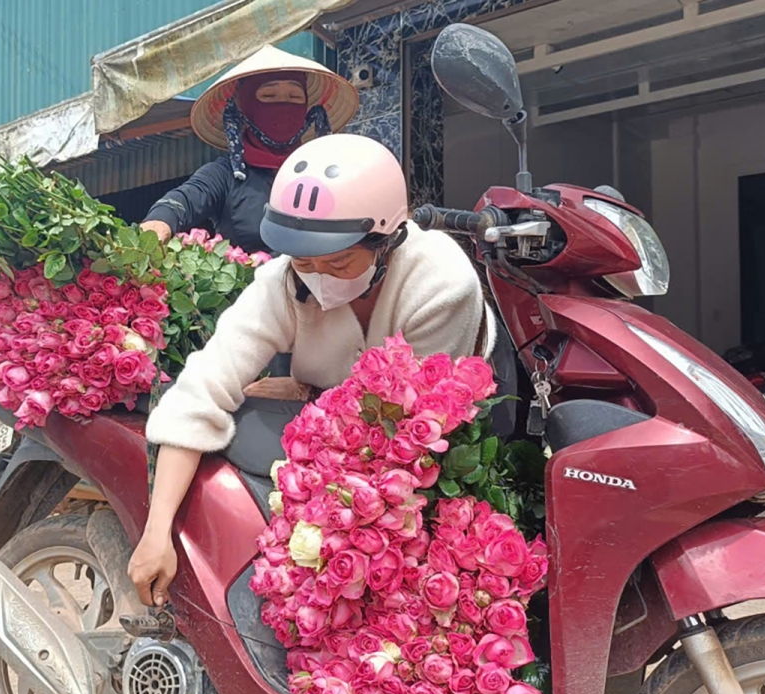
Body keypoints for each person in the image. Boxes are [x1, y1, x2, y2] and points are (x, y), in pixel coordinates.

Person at [128, 133, 499, 606]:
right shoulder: (282, 281)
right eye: (304, 261)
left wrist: (314, 396)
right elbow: (204, 386)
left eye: (340, 262)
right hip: (340, 424)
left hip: (432, 442)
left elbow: (409, 432)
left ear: (388, 240)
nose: (319, 277)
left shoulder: (441, 285)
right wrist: (156, 530)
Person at [139, 45, 359, 254]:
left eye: (294, 97)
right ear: (245, 107)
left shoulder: (326, 173)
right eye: (268, 96)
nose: (283, 106)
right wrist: (161, 220)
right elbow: (184, 199)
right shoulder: (224, 174)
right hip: (251, 291)